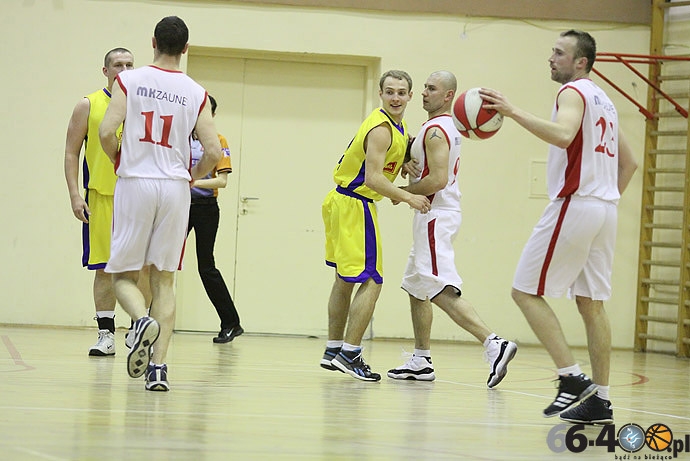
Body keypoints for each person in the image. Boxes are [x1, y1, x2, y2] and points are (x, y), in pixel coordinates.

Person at [480, 30, 638, 423]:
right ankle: (600, 399)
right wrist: (604, 198)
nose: (551, 58)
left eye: (559, 52)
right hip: (606, 210)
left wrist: (513, 112)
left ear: (580, 62)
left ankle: (570, 377)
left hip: (578, 204)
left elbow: (565, 134)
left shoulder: (573, 93)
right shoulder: (607, 101)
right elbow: (629, 163)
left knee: (525, 291)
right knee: (591, 305)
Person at [99, 16, 222, 391]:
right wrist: (192, 175)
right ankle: (158, 370)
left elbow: (106, 131)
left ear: (153, 41)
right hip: (174, 187)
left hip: (136, 182)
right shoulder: (196, 91)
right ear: (186, 48)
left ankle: (139, 321)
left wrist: (119, 158)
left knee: (122, 275)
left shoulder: (129, 80)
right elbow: (214, 150)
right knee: (165, 279)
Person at [386, 71, 518, 387]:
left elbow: (439, 179)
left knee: (436, 286)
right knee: (416, 286)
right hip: (434, 215)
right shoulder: (440, 128)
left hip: (435, 214)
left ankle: (493, 342)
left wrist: (405, 191)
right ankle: (421, 360)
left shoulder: (435, 131)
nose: (423, 93)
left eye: (431, 88)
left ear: (448, 96)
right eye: (425, 88)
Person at [320, 70, 431, 382]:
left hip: (342, 201)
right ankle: (350, 353)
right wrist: (407, 197)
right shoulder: (382, 128)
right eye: (390, 92)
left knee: (345, 278)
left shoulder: (395, 126)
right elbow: (373, 177)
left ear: (410, 96)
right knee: (372, 280)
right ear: (381, 94)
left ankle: (333, 349)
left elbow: (391, 155)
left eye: (401, 92)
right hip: (357, 203)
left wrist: (404, 160)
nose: (395, 97)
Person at [64, 47, 151, 357]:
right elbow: (72, 152)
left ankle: (138, 330)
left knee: (143, 269)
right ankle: (105, 335)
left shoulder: (145, 104)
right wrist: (75, 194)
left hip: (140, 197)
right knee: (104, 270)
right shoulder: (89, 104)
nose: (124, 69)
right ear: (106, 71)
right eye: (118, 64)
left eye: (129, 64)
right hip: (101, 198)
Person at [187, 95, 243, 343]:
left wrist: (191, 181)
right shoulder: (180, 139)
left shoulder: (219, 142)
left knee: (206, 265)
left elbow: (222, 181)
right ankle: (148, 322)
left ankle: (231, 323)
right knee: (163, 263)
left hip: (206, 208)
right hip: (178, 206)